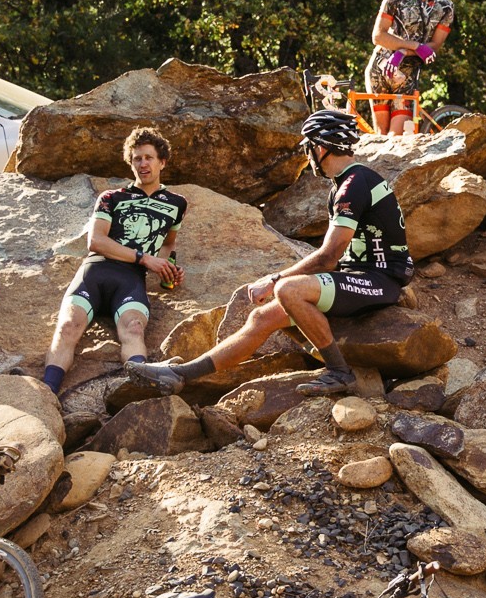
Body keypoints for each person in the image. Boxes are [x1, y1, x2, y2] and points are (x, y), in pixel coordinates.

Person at [115, 111, 409, 403]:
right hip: (358, 277)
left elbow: (329, 256)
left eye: (308, 148)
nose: (308, 156)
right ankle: (180, 374)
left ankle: (339, 371)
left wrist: (274, 279)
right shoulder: (349, 182)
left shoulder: (353, 184)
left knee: (287, 290)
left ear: (320, 147)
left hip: (377, 281)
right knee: (262, 316)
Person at [40, 127, 186, 395]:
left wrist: (166, 268)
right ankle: (46, 396)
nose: (142, 164)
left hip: (130, 282)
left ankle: (137, 393)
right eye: (136, 159)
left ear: (162, 161)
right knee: (68, 327)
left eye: (148, 158)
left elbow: (168, 243)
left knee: (133, 329)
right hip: (96, 271)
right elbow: (96, 241)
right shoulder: (111, 198)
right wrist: (144, 259)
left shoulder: (177, 203)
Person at [366, 0, 456, 135]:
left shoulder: (446, 7)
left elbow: (434, 46)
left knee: (396, 137)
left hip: (407, 75)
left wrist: (404, 51)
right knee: (381, 136)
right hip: (381, 70)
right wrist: (414, 45)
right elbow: (378, 36)